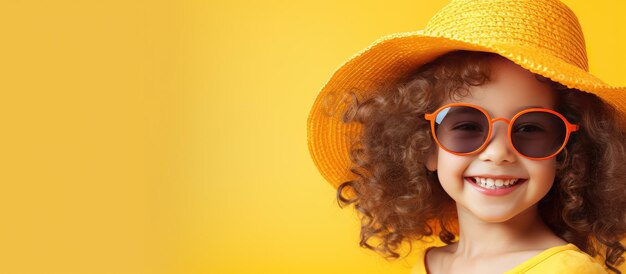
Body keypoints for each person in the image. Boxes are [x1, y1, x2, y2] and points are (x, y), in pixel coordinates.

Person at [306, 0, 626, 273]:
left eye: (530, 129)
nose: (498, 152)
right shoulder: (428, 264)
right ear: (425, 145)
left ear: (567, 153)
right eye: (467, 126)